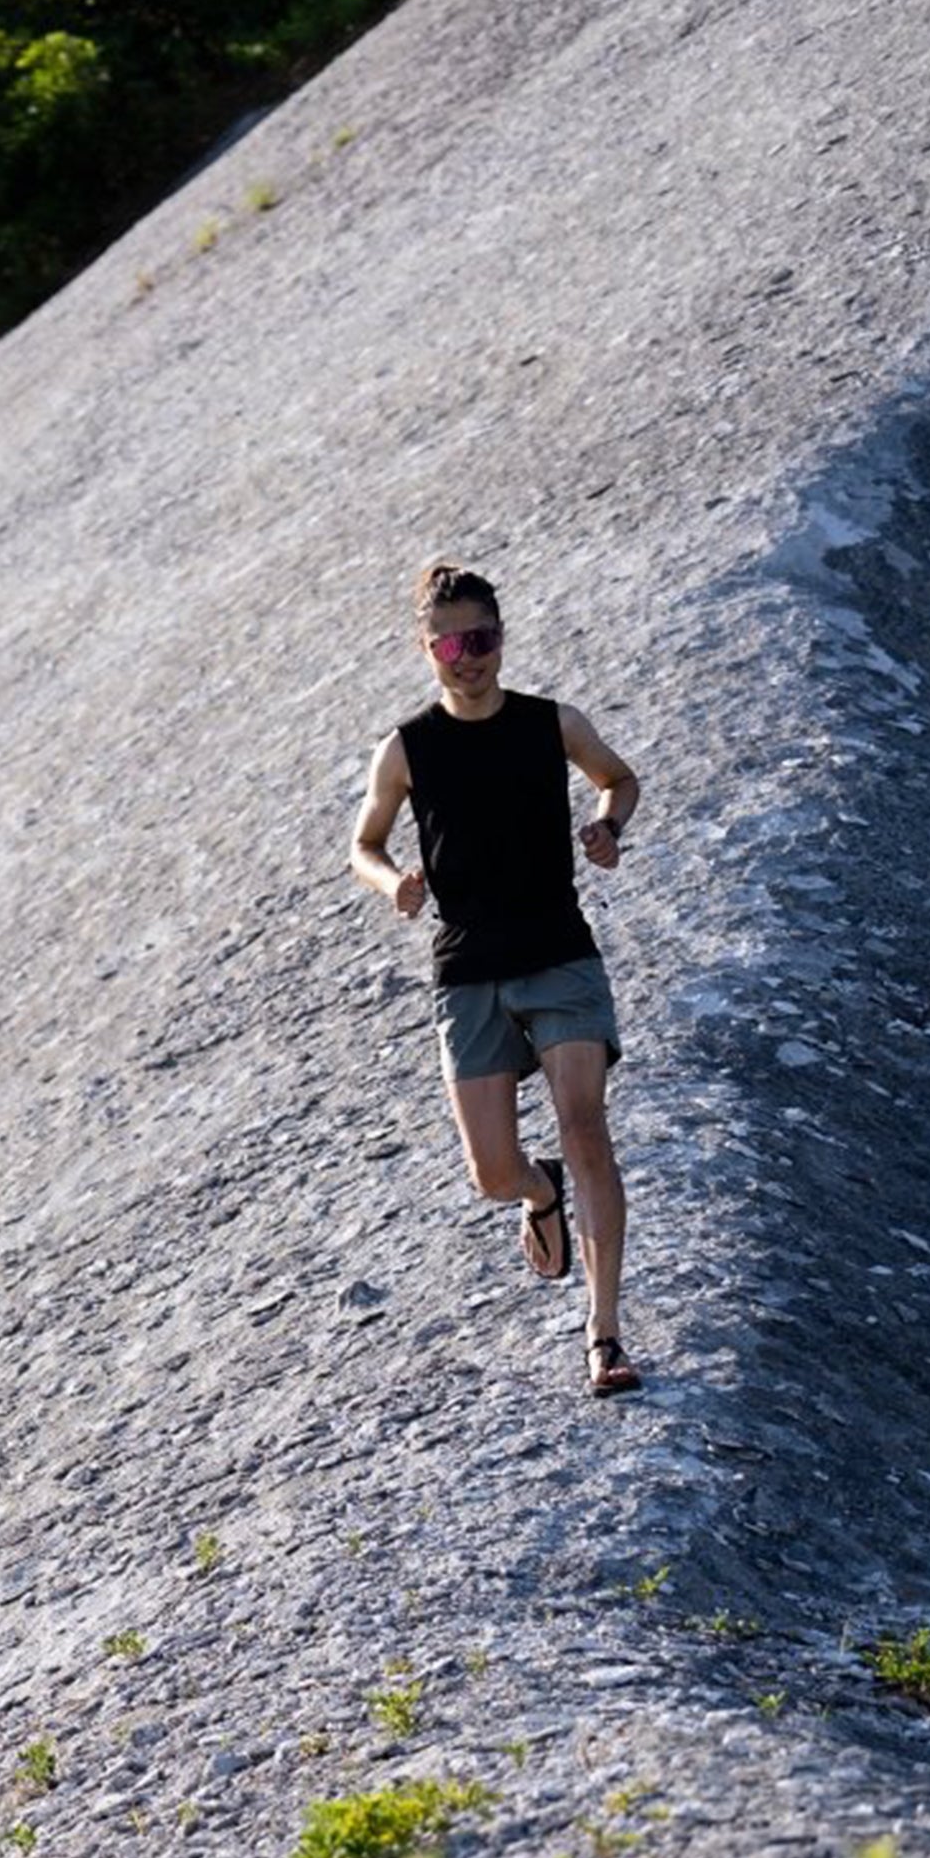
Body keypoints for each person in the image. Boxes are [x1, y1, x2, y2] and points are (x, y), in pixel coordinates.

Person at [349, 561, 642, 1395]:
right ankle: (538, 1189)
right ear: (426, 648)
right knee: (490, 1172)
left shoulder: (551, 724)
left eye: (480, 639)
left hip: (558, 954)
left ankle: (605, 1334)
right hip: (468, 970)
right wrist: (392, 880)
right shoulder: (406, 749)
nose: (467, 656)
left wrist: (607, 823)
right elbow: (362, 842)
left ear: (501, 640)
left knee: (585, 1127)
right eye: (450, 641)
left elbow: (618, 778)